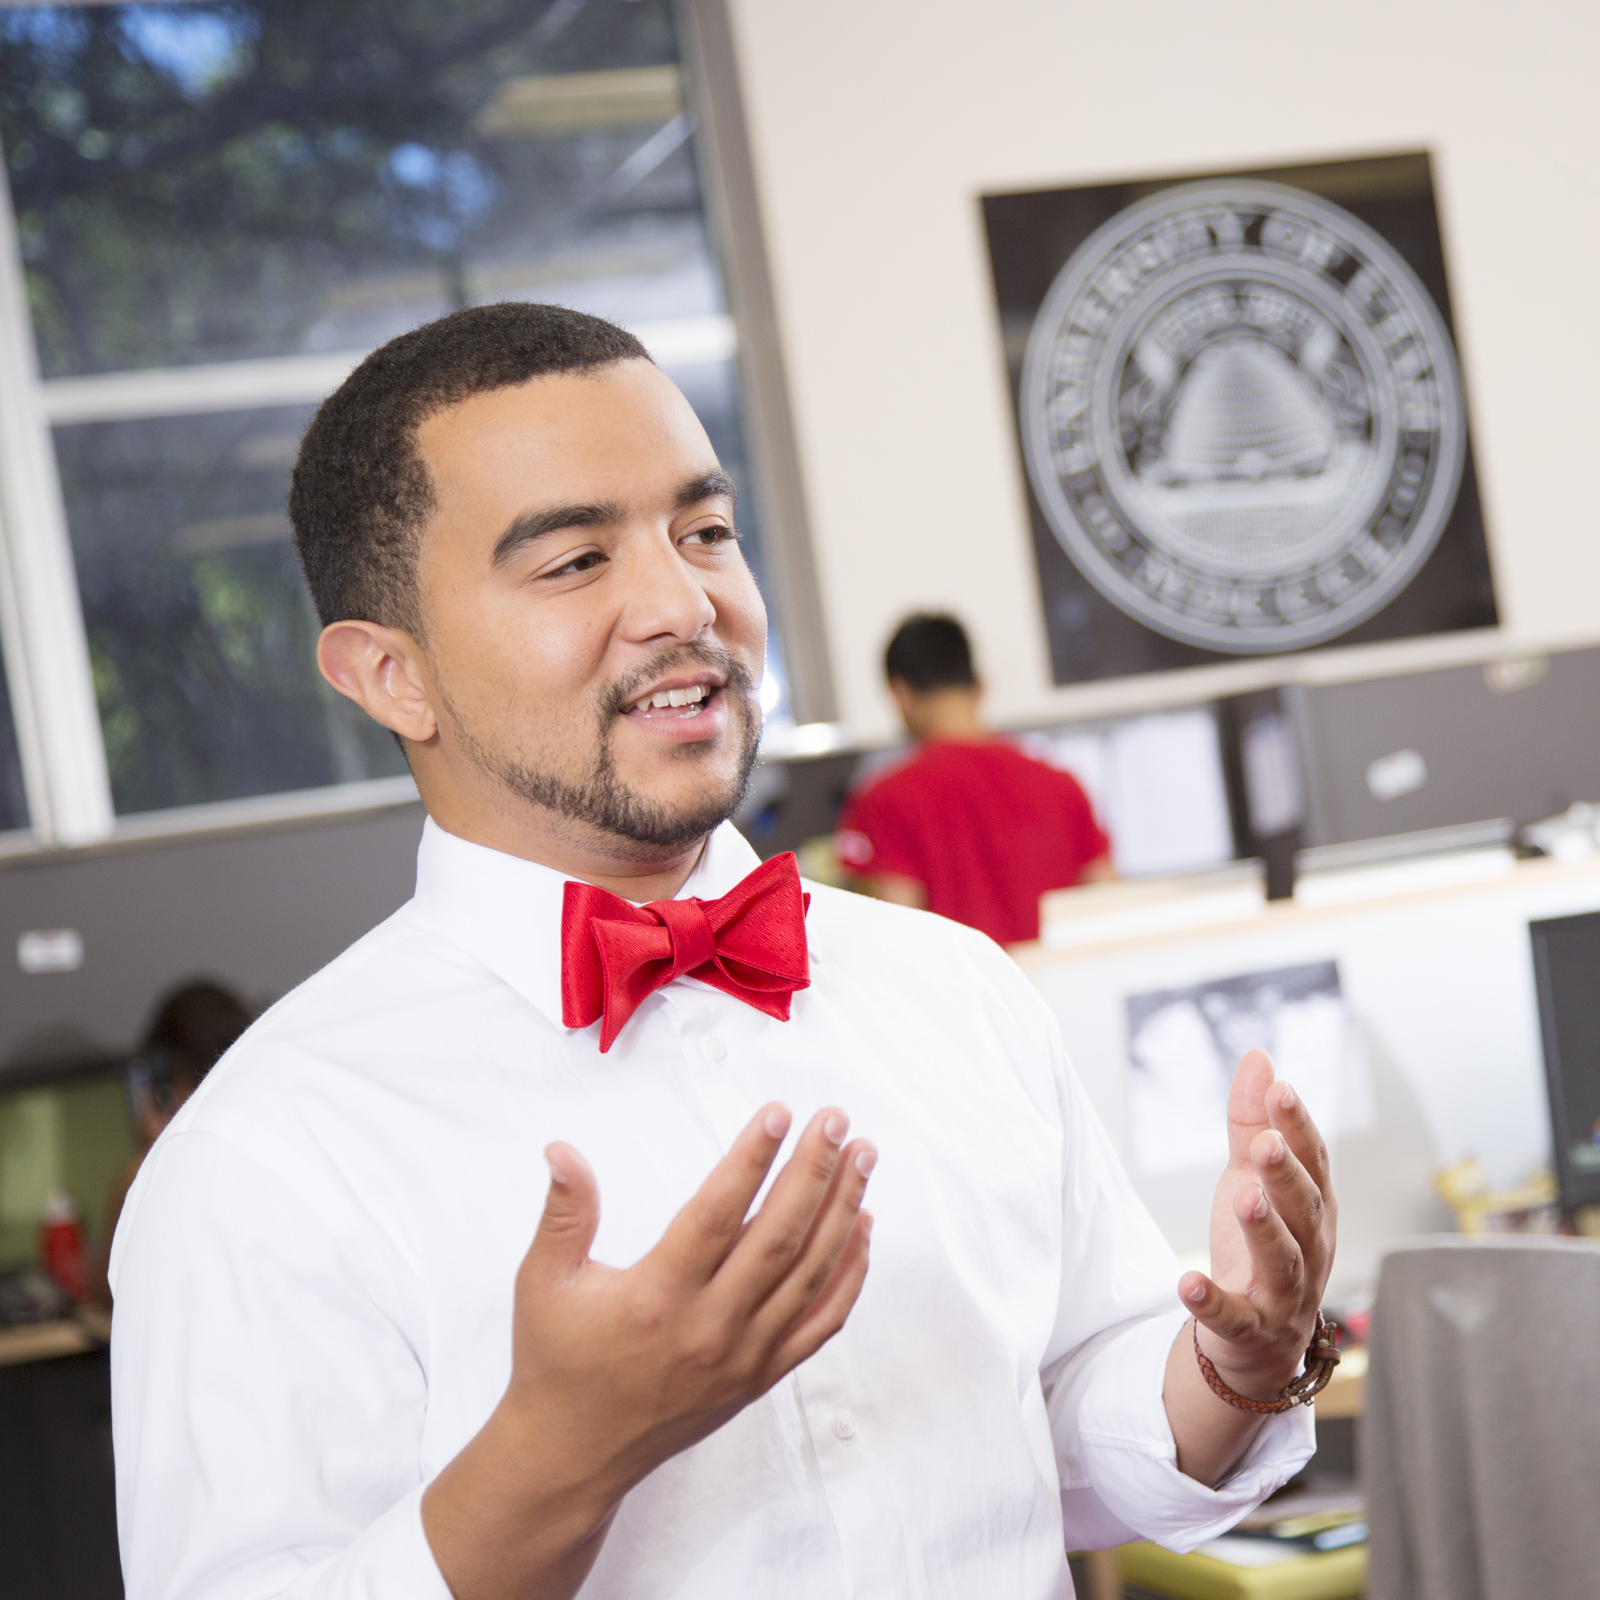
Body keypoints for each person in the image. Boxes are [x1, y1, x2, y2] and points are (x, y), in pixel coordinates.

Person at [108, 302, 1338, 1600]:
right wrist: (560, 1452)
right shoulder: (264, 1157)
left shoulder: (954, 987)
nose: (683, 602)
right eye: (576, 561)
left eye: (704, 531)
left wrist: (1233, 1370)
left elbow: (1061, 1434)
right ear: (388, 676)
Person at [835, 613, 1114, 946]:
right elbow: (1109, 904)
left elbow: (896, 934)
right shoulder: (1061, 784)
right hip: (1059, 993)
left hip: (958, 997)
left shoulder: (885, 798)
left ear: (900, 693)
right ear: (980, 685)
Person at [93, 979, 254, 1308]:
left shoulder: (147, 1176)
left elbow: (102, 1295)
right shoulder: (278, 1145)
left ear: (163, 1078)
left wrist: (151, 1153)